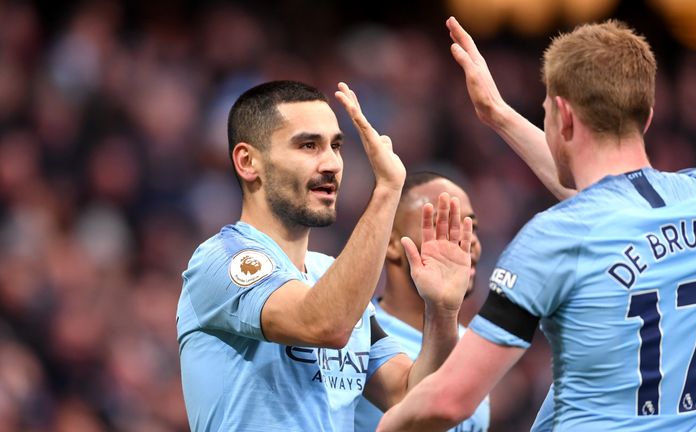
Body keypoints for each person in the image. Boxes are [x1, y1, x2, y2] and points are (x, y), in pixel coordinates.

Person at [377, 17, 696, 431]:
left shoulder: (553, 238)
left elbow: (448, 400)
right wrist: (497, 113)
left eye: (547, 113)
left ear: (563, 117)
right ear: (648, 116)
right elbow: (613, 204)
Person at [176, 80, 475, 431]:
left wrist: (442, 310)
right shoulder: (219, 262)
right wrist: (387, 191)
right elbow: (323, 324)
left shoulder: (329, 274)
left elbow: (409, 397)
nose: (332, 163)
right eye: (308, 145)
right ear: (248, 161)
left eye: (336, 146)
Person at [354, 171, 491, 431]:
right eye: (446, 225)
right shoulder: (357, 335)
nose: (468, 240)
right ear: (391, 243)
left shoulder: (475, 344)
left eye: (471, 226)